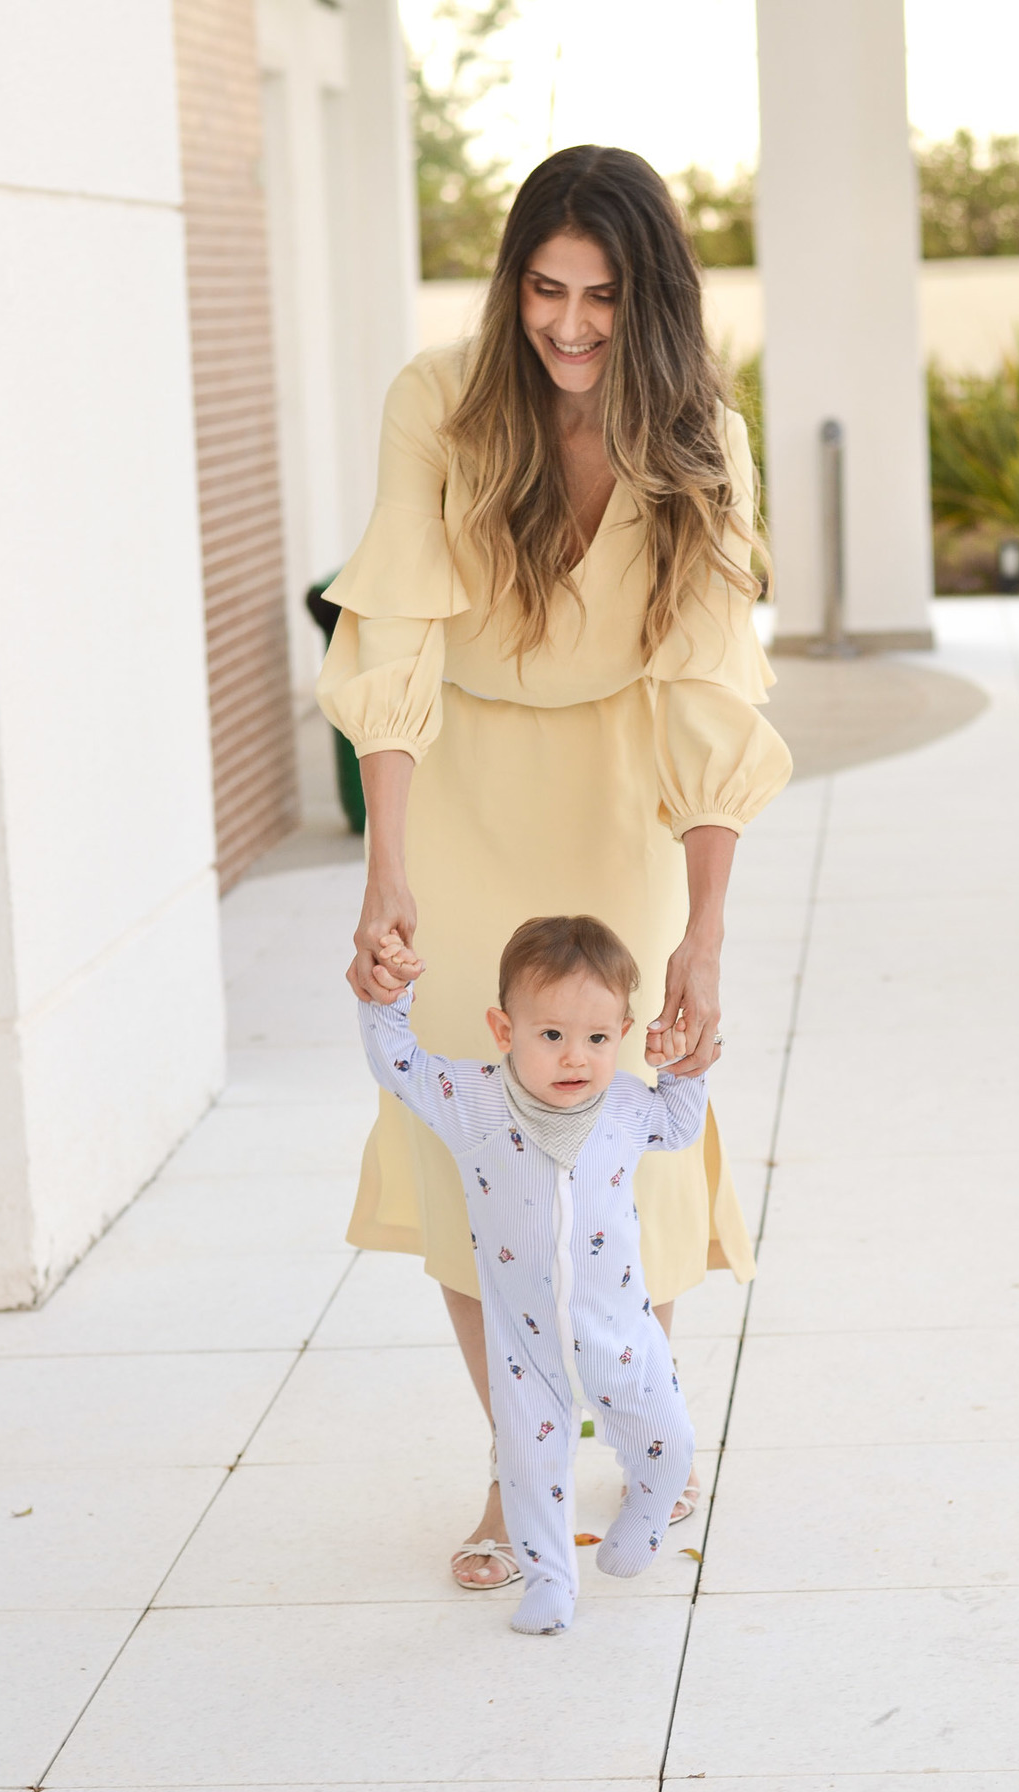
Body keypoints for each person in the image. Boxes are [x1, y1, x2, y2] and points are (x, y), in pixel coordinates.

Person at [317, 145, 792, 1591]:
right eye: (544, 288)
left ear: (651, 301)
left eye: (600, 297)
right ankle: (513, 1465)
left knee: (619, 1125)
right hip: (459, 793)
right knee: (476, 1133)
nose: (569, 325)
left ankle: (644, 1437)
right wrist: (387, 866)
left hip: (617, 796)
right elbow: (395, 637)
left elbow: (712, 691)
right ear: (512, 283)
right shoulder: (439, 402)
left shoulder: (700, 438)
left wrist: (705, 932)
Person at [359, 916, 701, 1635]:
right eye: (551, 1035)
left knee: (671, 1441)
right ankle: (549, 1582)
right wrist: (388, 1000)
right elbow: (400, 1066)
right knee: (529, 1464)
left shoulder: (626, 1105)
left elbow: (679, 1124)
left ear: (622, 1033)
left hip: (622, 1332)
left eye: (598, 1038)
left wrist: (681, 1066)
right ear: (503, 1029)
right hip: (524, 1344)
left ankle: (647, 1506)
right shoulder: (474, 1102)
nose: (576, 1057)